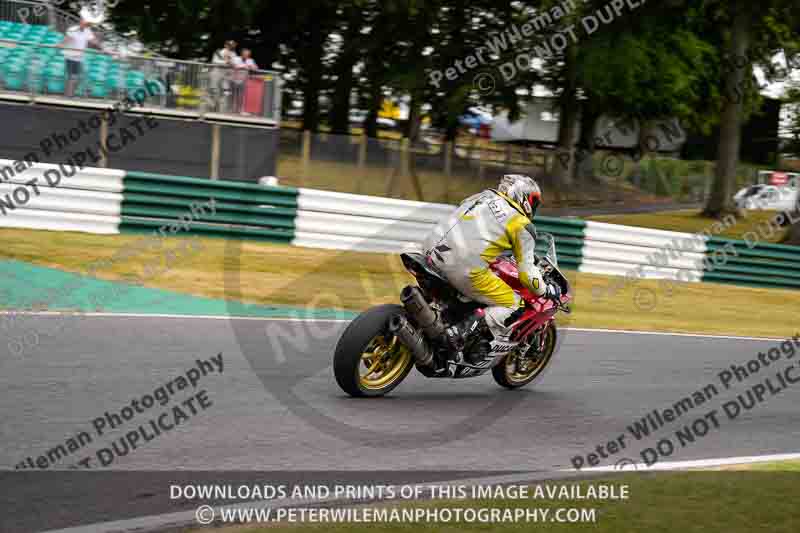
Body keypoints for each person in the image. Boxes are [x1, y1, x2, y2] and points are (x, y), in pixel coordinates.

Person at [422, 174, 560, 358]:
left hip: (430, 249)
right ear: (524, 198)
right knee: (514, 305)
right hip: (462, 267)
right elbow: (527, 274)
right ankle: (458, 334)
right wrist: (545, 290)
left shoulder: (481, 197)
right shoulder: (521, 223)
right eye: (534, 202)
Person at [60, 17, 99, 97]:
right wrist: (60, 45)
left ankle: (70, 94)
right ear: (80, 22)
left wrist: (102, 47)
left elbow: (93, 41)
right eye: (84, 22)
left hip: (79, 57)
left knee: (76, 77)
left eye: (87, 23)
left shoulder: (87, 31)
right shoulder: (72, 29)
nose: (85, 24)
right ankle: (69, 95)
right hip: (70, 56)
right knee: (72, 76)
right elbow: (67, 39)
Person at [210, 40, 238, 111]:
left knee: (225, 91)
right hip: (217, 71)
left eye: (232, 45)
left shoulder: (234, 54)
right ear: (225, 45)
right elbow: (214, 61)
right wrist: (225, 62)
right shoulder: (219, 52)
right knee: (214, 89)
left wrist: (231, 63)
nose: (231, 46)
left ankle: (221, 108)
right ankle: (213, 105)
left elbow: (235, 63)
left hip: (226, 73)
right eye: (229, 44)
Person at [231, 48, 258, 113]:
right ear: (242, 54)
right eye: (245, 54)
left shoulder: (250, 60)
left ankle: (240, 110)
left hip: (243, 80)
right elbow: (234, 66)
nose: (246, 55)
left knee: (242, 96)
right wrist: (244, 67)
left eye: (248, 54)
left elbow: (256, 68)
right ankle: (232, 109)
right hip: (234, 79)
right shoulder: (236, 58)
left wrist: (252, 67)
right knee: (233, 95)